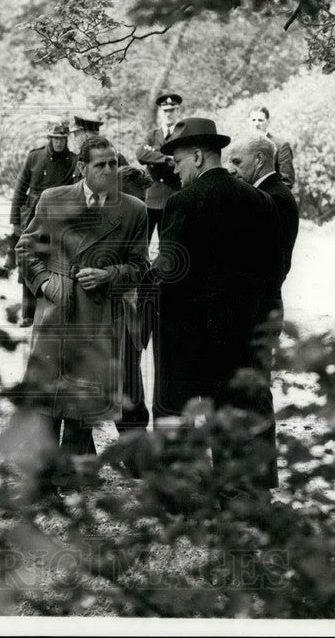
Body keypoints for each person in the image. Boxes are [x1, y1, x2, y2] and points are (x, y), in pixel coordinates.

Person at [150, 117, 277, 492]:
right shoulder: (262, 202)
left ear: (200, 157)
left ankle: (186, 498)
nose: (175, 169)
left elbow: (169, 275)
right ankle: (238, 496)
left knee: (182, 420)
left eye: (179, 161)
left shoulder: (182, 203)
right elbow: (269, 272)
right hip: (241, 335)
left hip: (190, 339)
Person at [16, 136, 148, 456]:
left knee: (81, 402)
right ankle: (44, 475)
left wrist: (109, 275)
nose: (108, 170)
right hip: (56, 308)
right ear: (82, 167)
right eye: (100, 164)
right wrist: (46, 283)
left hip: (98, 316)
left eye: (113, 164)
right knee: (48, 399)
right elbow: (26, 249)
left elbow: (140, 266)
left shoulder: (134, 210)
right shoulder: (53, 198)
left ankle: (70, 476)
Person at [223, 134, 300, 371]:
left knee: (254, 389)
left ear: (258, 159)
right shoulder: (269, 193)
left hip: (258, 310)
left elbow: (265, 261)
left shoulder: (272, 197)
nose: (230, 169)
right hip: (259, 307)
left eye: (237, 162)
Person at [9, 117, 76, 327]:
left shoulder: (73, 161)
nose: (58, 143)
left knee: (57, 263)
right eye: (55, 138)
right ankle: (28, 313)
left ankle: (54, 311)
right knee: (28, 261)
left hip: (60, 220)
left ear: (67, 139)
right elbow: (20, 189)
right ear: (49, 138)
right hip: (33, 218)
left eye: (62, 139)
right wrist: (15, 222)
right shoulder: (35, 157)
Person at [116, 165, 155, 434]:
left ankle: (134, 444)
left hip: (129, 310)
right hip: (101, 310)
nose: (140, 207)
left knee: (129, 378)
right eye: (136, 200)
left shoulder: (136, 218)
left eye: (143, 201)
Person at [136, 92, 184, 240]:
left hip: (172, 197)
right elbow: (141, 155)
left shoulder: (182, 135)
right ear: (160, 112)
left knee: (168, 246)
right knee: (143, 244)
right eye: (165, 111)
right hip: (150, 197)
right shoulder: (152, 135)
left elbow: (181, 160)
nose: (169, 114)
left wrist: (154, 154)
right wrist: (166, 159)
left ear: (178, 111)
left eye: (172, 110)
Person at [248, 105, 296, 188]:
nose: (256, 124)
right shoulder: (243, 145)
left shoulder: (281, 146)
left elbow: (287, 181)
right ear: (248, 121)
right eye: (253, 120)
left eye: (260, 120)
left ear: (268, 122)